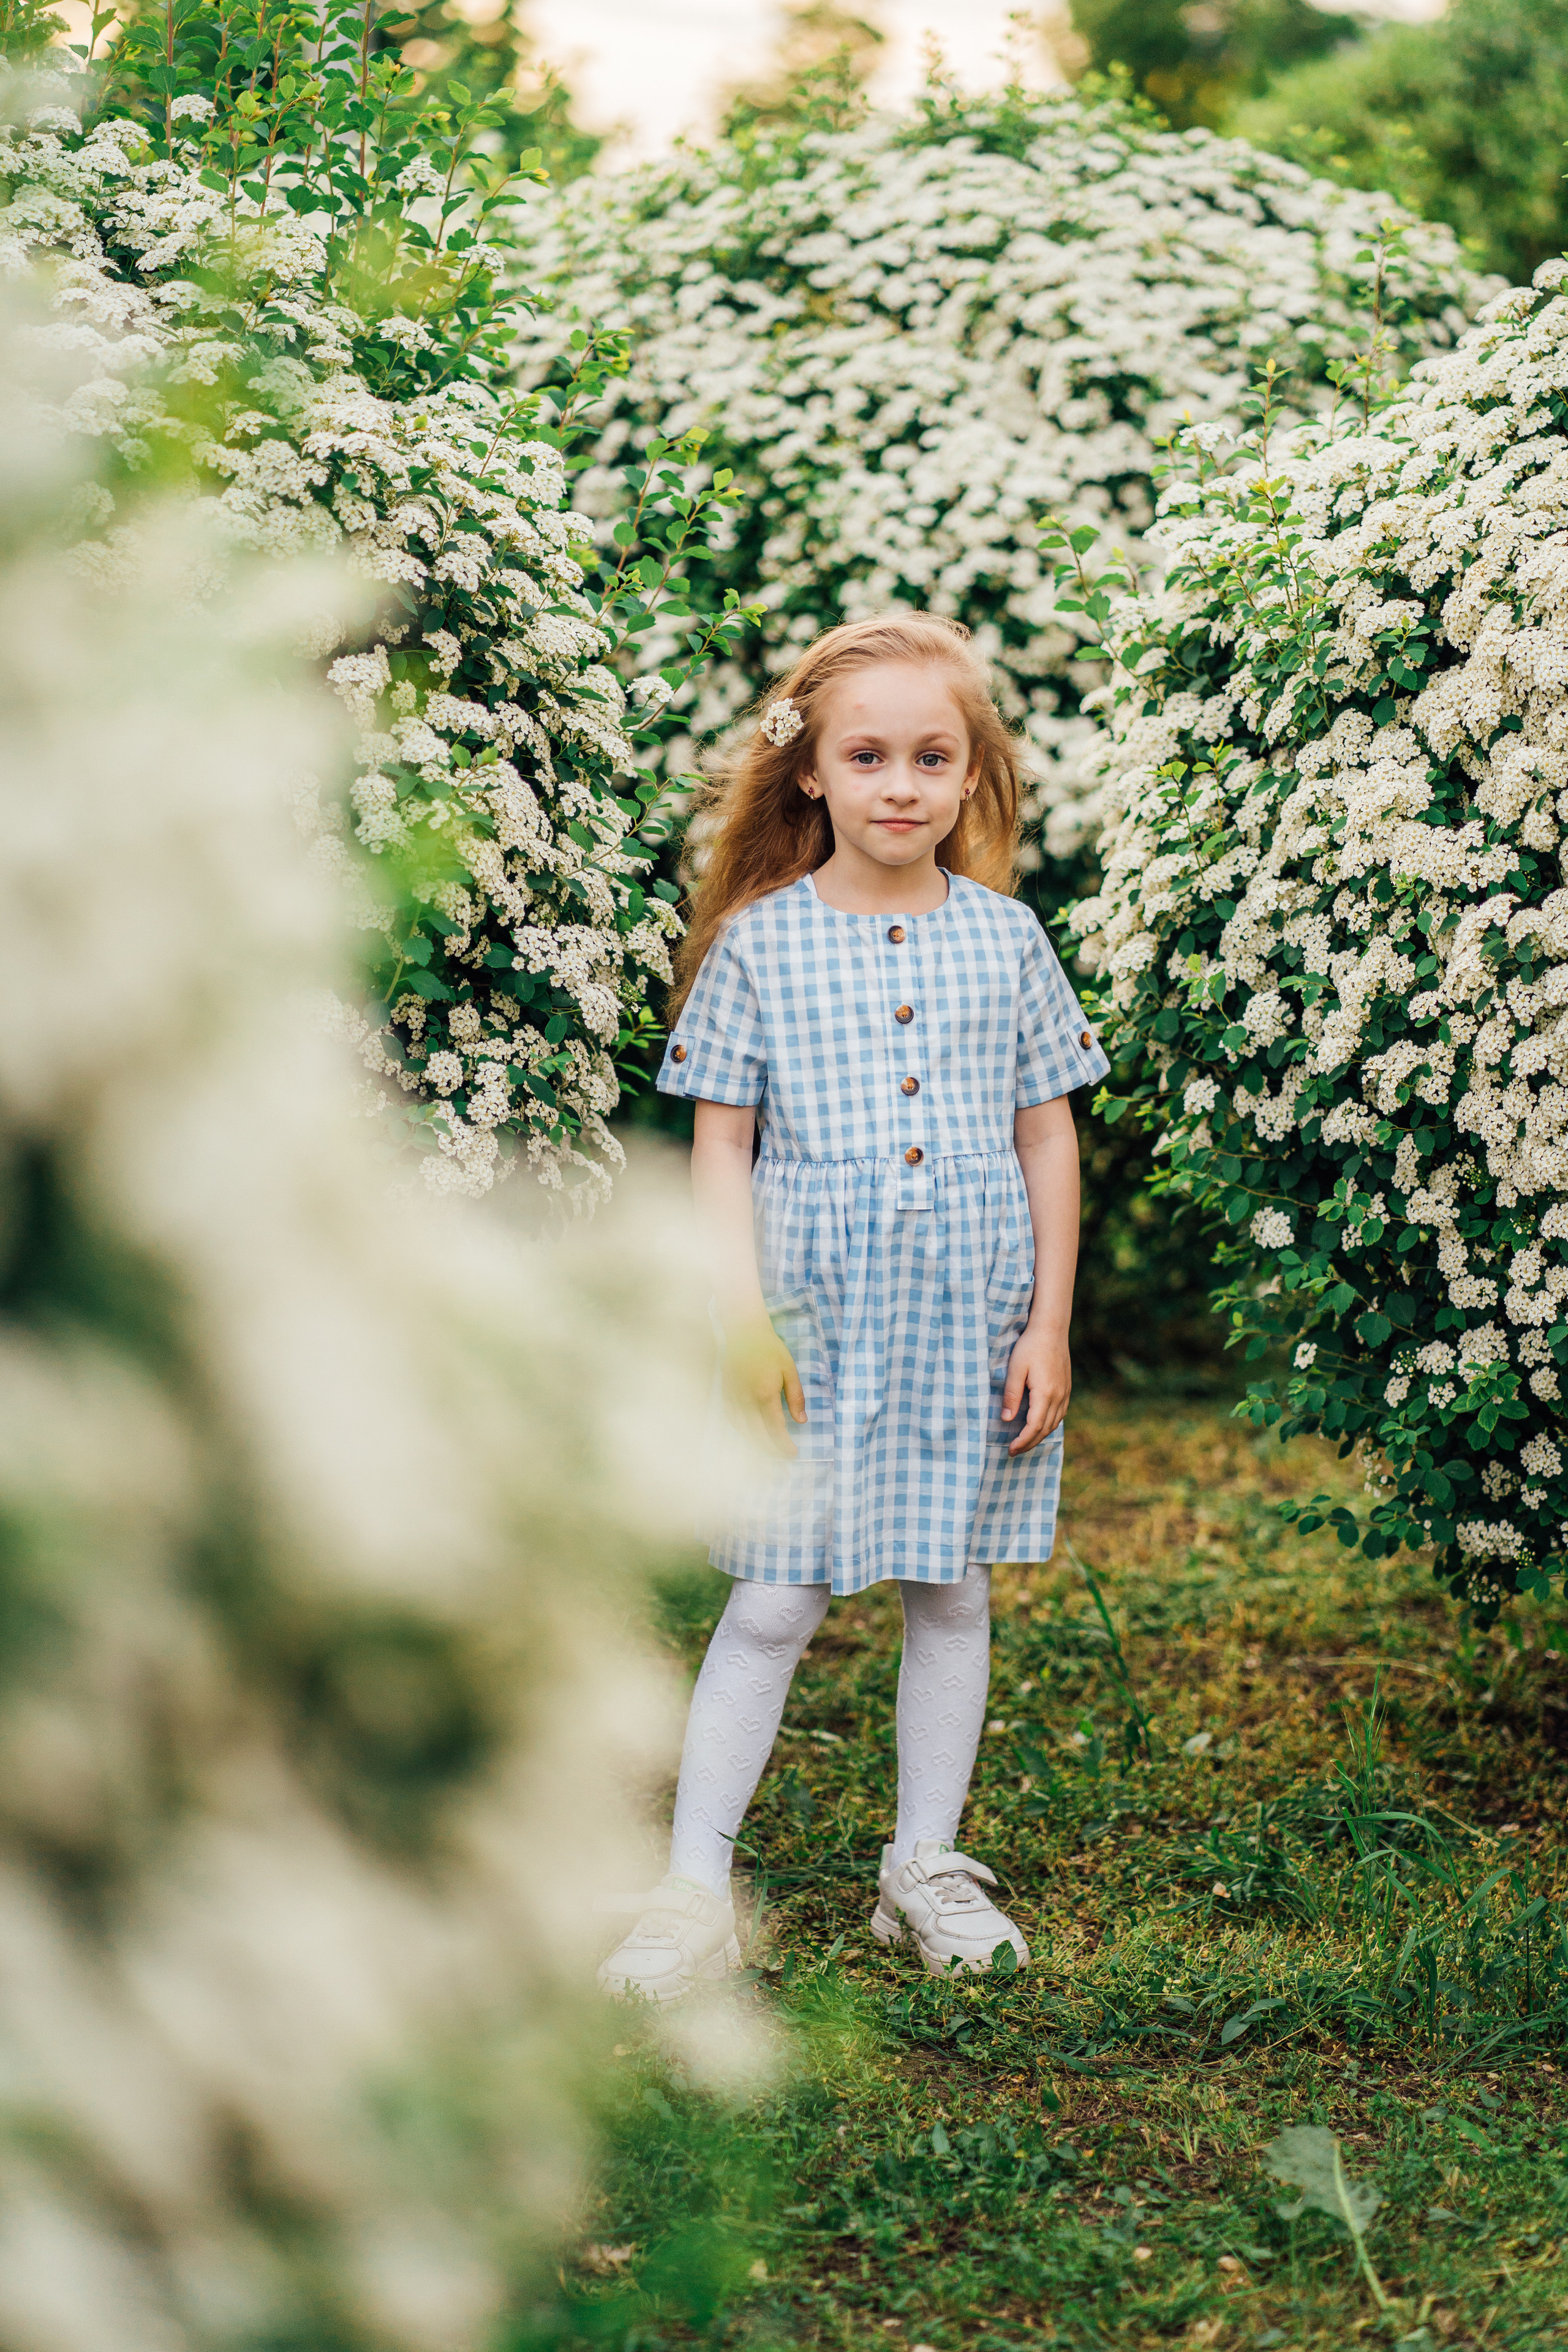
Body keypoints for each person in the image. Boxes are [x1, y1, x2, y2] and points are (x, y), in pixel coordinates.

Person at [598, 612, 1108, 2002]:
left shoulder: (1005, 942)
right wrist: (738, 1317)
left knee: (951, 1589)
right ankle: (692, 1886)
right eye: (867, 755)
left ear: (970, 776)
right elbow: (718, 1143)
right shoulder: (761, 947)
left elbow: (1047, 1134)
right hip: (808, 1324)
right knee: (772, 1600)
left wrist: (1049, 1322)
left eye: (931, 757)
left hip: (970, 1313)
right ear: (810, 772)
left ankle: (921, 1869)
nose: (901, 784)